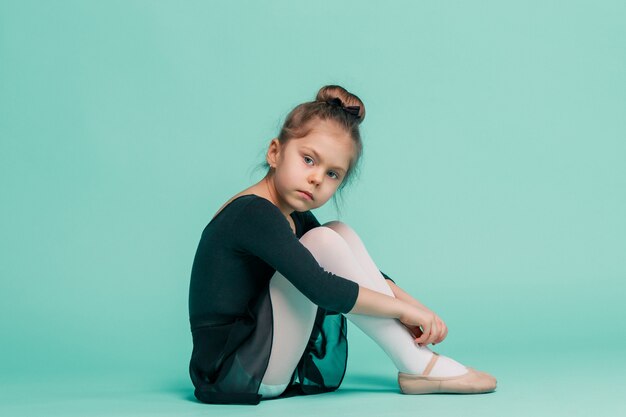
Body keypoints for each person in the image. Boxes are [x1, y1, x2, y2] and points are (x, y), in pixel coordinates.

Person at [188, 85, 496, 405]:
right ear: (275, 152)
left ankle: (419, 362)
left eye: (333, 173)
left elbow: (358, 269)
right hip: (235, 373)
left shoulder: (293, 216)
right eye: (308, 159)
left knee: (336, 232)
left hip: (262, 357)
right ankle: (418, 365)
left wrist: (417, 308)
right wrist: (403, 310)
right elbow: (322, 287)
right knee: (323, 241)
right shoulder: (253, 212)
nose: (317, 178)